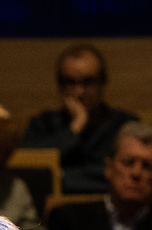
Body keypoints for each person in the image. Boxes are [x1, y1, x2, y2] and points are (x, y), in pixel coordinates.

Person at [23, 42, 139, 194]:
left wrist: (61, 177)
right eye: (70, 83)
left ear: (103, 82)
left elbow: (127, 176)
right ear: (60, 86)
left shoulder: (124, 125)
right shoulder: (43, 124)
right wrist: (75, 128)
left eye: (88, 82)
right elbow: (29, 169)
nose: (79, 91)